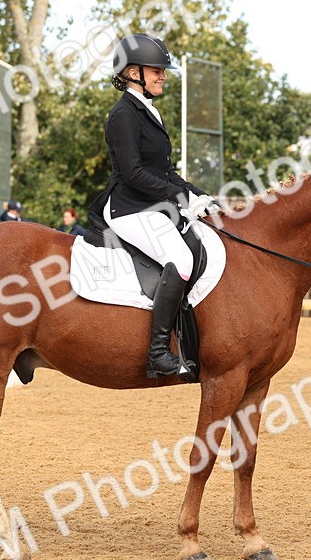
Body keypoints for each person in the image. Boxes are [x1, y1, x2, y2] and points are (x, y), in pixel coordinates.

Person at [94, 33, 220, 378]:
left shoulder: (149, 111)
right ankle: (158, 352)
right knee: (181, 260)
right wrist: (180, 198)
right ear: (133, 72)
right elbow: (134, 173)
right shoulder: (123, 115)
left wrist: (198, 194)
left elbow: (164, 171)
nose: (163, 76)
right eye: (156, 70)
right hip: (128, 207)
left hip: (150, 205)